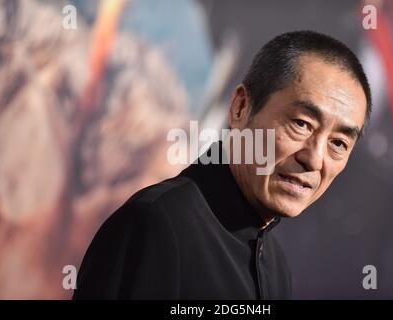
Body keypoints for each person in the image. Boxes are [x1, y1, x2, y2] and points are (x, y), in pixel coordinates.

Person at [73, 30, 372, 299]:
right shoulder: (156, 226)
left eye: (338, 143)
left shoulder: (276, 267)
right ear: (241, 107)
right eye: (301, 124)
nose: (314, 158)